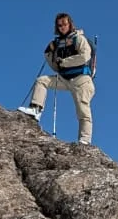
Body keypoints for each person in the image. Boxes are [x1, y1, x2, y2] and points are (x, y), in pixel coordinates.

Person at [16, 12, 95, 144]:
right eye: (59, 25)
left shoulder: (79, 38)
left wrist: (64, 62)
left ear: (70, 24)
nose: (62, 27)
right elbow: (56, 67)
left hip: (81, 80)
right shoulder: (58, 43)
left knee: (82, 110)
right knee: (42, 80)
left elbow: (85, 56)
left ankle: (85, 140)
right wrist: (48, 54)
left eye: (64, 24)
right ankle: (36, 109)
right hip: (65, 79)